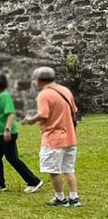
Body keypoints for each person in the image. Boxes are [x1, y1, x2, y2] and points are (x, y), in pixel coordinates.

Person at [21, 67, 80, 207]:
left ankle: (60, 198)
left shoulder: (44, 94)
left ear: (39, 80)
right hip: (70, 137)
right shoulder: (65, 90)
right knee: (69, 169)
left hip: (53, 139)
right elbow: (74, 111)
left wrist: (30, 119)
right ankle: (74, 198)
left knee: (54, 171)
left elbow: (43, 114)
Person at [0, 74, 43, 195]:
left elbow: (11, 113)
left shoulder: (4, 96)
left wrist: (7, 129)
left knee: (12, 158)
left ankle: (34, 181)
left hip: (6, 133)